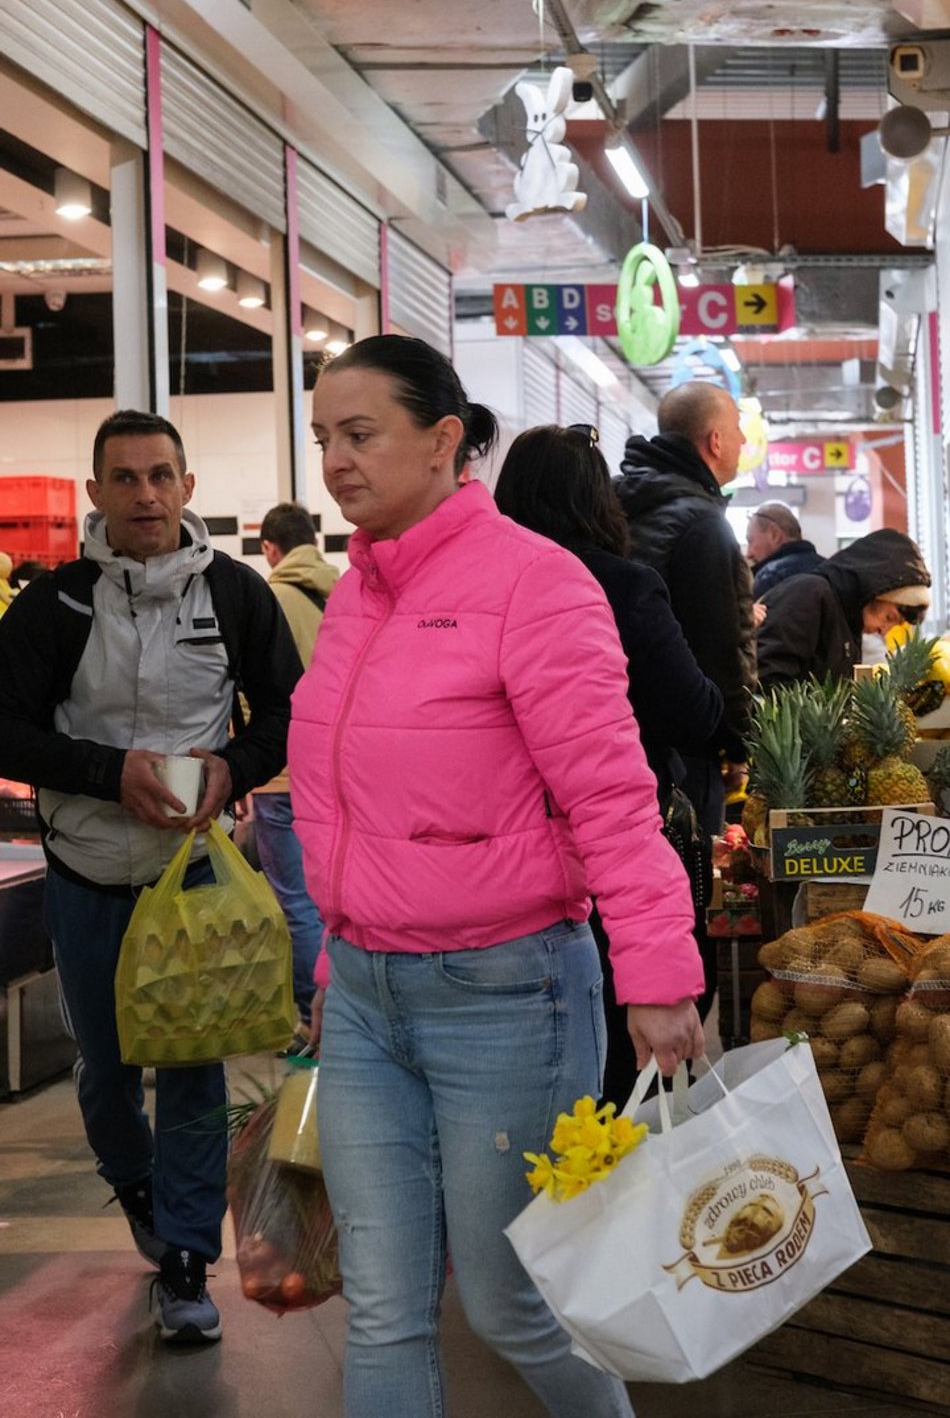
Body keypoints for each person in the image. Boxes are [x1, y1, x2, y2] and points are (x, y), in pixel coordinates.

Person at [289, 335, 705, 1418]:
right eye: (323, 437)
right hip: (366, 1001)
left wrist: (657, 972)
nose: (334, 459)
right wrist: (335, 962)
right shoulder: (354, 599)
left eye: (359, 434)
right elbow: (350, 809)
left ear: (442, 440)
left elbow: (612, 799)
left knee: (510, 1303)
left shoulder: (536, 585)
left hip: (506, 995)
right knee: (380, 1310)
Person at [0, 409, 301, 1344]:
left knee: (192, 1062)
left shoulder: (237, 594)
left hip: (195, 875)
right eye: (124, 478)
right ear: (95, 493)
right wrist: (106, 771)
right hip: (88, 869)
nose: (144, 494)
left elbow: (290, 710)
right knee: (106, 1069)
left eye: (160, 475)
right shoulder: (53, 608)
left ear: (188, 487)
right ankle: (134, 1182)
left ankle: (184, 1259)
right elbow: (5, 728)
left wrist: (234, 768)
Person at [494, 421, 723, 1105]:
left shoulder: (484, 586)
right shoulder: (624, 586)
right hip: (608, 852)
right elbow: (696, 711)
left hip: (507, 870)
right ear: (599, 503)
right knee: (625, 1071)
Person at [615, 382, 757, 840]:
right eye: (737, 429)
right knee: (687, 881)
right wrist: (736, 741)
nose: (744, 441)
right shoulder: (702, 523)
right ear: (715, 441)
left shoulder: (616, 504)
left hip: (615, 729)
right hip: (685, 744)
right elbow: (719, 645)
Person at [253, 501, 338, 1043]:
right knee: (332, 899)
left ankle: (314, 1019)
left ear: (269, 549)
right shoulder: (341, 591)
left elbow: (251, 691)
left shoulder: (272, 597)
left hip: (282, 771)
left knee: (296, 902)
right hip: (334, 771)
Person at [756, 527, 931, 688]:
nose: (884, 631)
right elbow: (768, 676)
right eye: (889, 618)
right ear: (873, 592)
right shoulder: (810, 594)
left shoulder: (848, 620)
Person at [746, 500, 825, 597]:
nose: (749, 554)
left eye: (751, 541)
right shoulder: (828, 570)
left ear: (774, 534)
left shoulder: (770, 576)